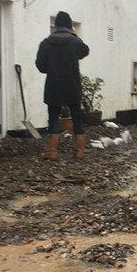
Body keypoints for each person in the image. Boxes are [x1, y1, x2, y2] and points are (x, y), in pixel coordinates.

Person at [35, 11, 89, 160]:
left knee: (53, 117)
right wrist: (74, 35)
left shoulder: (46, 43)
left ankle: (52, 152)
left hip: (53, 86)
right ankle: (78, 151)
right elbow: (85, 51)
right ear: (70, 25)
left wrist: (51, 68)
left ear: (56, 25)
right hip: (72, 85)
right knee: (77, 117)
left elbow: (40, 66)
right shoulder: (75, 41)